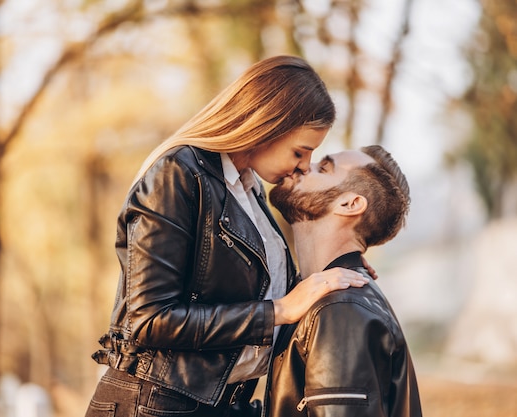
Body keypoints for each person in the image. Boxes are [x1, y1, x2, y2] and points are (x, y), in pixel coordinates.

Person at [84, 55, 373, 417]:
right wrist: (279, 311)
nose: (303, 165)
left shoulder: (248, 191)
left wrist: (337, 264)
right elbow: (149, 319)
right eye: (300, 151)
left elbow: (247, 290)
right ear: (267, 124)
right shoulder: (178, 174)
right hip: (154, 405)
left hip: (221, 405)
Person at [264, 145, 422, 417]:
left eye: (323, 168)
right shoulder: (314, 298)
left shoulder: (339, 310)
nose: (304, 166)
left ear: (350, 204)